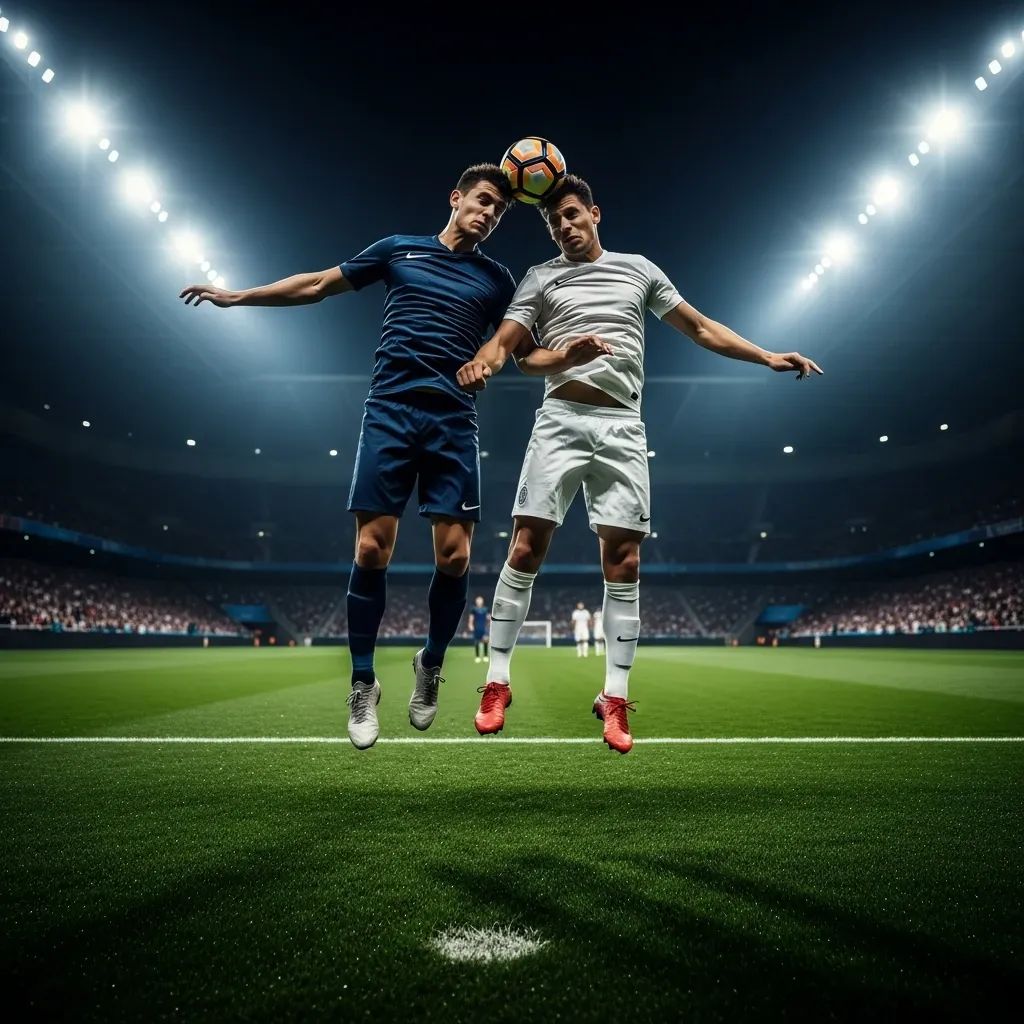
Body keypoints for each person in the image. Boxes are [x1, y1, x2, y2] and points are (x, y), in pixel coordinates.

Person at [456, 174, 822, 754]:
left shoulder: (639, 270)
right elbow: (517, 352)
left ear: (595, 213)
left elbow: (700, 326)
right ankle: (496, 682)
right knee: (525, 546)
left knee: (623, 561)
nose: (565, 226)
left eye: (572, 214)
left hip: (624, 426)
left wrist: (766, 356)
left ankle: (615, 697)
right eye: (554, 221)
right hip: (561, 419)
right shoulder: (540, 278)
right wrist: (517, 358)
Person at [180, 164, 522, 751]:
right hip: (389, 412)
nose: (489, 214)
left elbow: (514, 345)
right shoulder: (399, 250)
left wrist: (488, 362)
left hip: (452, 420)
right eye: (483, 201)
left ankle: (431, 664)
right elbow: (318, 284)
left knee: (457, 557)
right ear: (456, 197)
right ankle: (363, 681)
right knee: (371, 547)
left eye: (498, 210)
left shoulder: (496, 279)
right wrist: (239, 296)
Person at [468, 595, 490, 663]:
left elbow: (488, 618)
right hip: (477, 627)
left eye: (480, 600)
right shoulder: (473, 609)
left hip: (484, 627)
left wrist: (489, 624)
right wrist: (470, 625)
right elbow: (471, 618)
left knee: (486, 641)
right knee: (477, 642)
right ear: (476, 601)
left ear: (482, 601)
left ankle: (485, 656)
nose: (479, 601)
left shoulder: (486, 609)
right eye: (478, 600)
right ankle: (477, 657)